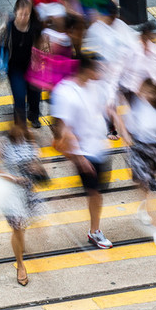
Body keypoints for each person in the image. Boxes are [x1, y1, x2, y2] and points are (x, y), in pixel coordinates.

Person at [50, 53, 115, 249]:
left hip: (99, 148)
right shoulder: (66, 92)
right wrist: (79, 158)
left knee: (97, 192)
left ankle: (94, 229)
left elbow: (104, 109)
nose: (100, 72)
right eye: (97, 69)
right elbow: (64, 129)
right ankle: (95, 231)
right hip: (84, 152)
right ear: (86, 70)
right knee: (95, 193)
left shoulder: (96, 86)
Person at [119, 80, 156, 247]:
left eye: (150, 93)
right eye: (144, 92)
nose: (146, 96)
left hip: (152, 149)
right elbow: (123, 123)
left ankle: (150, 219)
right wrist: (125, 138)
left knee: (147, 188)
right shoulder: (136, 105)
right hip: (137, 148)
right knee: (145, 186)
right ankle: (152, 222)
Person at [0, 119, 46, 286]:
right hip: (10, 192)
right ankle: (20, 265)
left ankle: (20, 245)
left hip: (27, 189)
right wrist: (14, 178)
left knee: (27, 226)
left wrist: (37, 167)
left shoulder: (30, 138)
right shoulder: (0, 144)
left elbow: (37, 159)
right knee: (17, 228)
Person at [83, 0, 138, 141]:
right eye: (110, 16)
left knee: (130, 96)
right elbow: (90, 53)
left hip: (124, 69)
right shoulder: (95, 29)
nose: (112, 19)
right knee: (108, 101)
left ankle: (134, 124)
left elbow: (133, 45)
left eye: (114, 16)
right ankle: (111, 128)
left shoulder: (121, 26)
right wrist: (97, 68)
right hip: (106, 72)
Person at [0, 0, 42, 126]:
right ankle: (20, 124)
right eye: (21, 14)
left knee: (35, 93)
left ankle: (34, 115)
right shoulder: (8, 27)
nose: (23, 17)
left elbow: (40, 43)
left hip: (31, 66)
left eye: (26, 14)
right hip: (15, 68)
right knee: (19, 95)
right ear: (15, 13)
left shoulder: (34, 27)